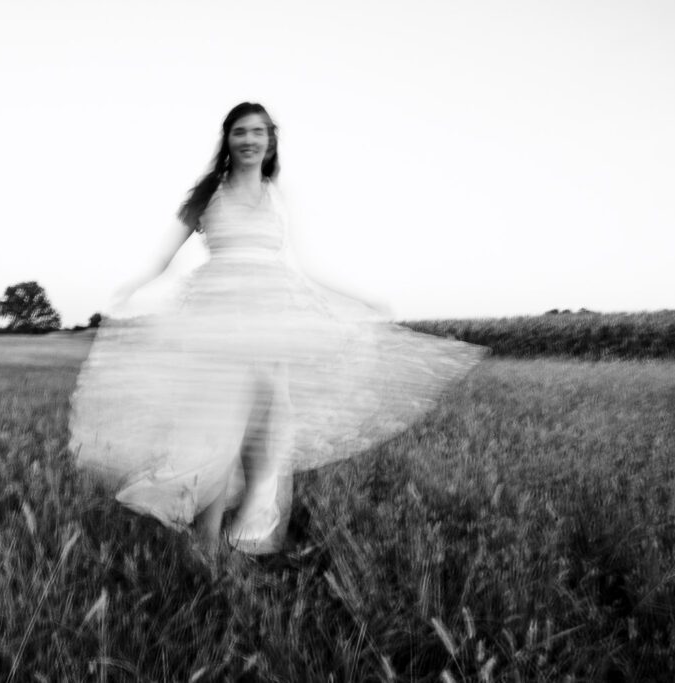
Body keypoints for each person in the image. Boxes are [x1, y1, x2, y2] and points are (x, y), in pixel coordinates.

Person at [68, 102, 486, 556]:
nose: (249, 140)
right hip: (219, 317)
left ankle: (245, 534)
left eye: (258, 132)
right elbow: (164, 256)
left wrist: (356, 298)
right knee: (220, 427)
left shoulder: (277, 196)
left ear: (270, 141)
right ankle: (207, 541)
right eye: (240, 132)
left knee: (265, 432)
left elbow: (304, 266)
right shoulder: (209, 192)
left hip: (271, 316)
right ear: (226, 139)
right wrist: (133, 288)